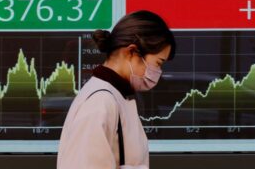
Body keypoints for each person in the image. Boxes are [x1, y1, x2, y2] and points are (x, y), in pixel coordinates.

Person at [57, 10, 176, 169]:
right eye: (158, 63)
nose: (158, 73)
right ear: (132, 52)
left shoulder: (119, 96)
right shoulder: (100, 102)